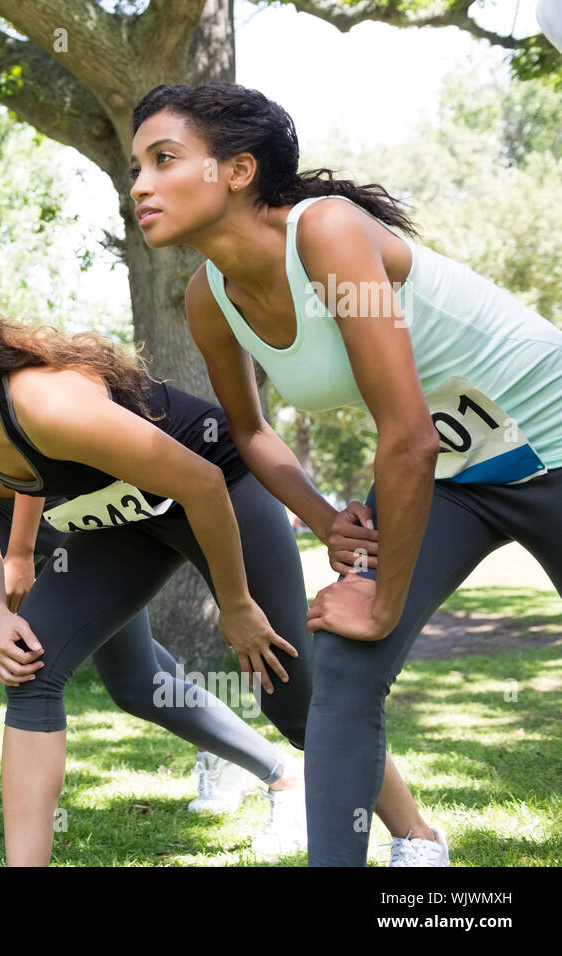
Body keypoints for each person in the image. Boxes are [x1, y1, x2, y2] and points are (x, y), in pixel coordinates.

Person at [0, 262, 440, 866]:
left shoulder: (49, 405)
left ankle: (417, 837)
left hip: (217, 494)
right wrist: (0, 618)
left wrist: (236, 605)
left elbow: (204, 484)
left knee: (290, 696)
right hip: (126, 519)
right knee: (32, 667)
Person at [129, 81, 562, 865]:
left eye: (164, 160)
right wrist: (327, 518)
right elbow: (252, 433)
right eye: (136, 168)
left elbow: (408, 436)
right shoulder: (208, 298)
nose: (141, 186)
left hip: (548, 435)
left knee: (360, 621)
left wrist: (382, 597)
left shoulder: (325, 231)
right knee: (344, 671)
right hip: (453, 469)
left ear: (238, 170)